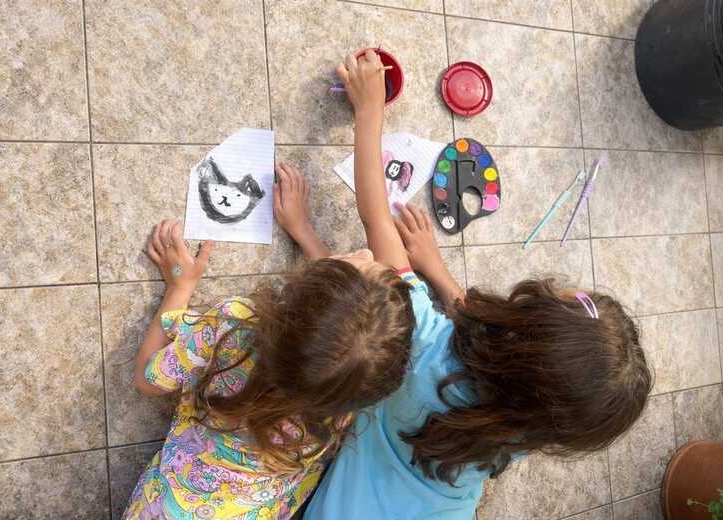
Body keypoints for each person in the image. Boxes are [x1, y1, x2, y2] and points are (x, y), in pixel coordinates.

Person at [303, 49, 652, 519]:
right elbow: (490, 345)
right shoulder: (533, 418)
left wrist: (369, 111)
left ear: (518, 329)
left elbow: (376, 220)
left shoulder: (427, 346)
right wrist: (435, 268)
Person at [123, 163, 416, 519]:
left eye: (355, 263)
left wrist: (180, 286)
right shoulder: (351, 391)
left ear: (303, 289)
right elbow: (336, 333)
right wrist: (303, 230)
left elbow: (148, 380)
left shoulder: (236, 324)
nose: (367, 253)